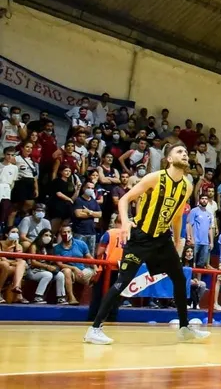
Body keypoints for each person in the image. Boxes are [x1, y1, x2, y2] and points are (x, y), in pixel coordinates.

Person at [84, 142, 210, 345]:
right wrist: (125, 223)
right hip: (140, 237)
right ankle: (94, 328)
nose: (185, 154)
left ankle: (184, 328)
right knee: (123, 281)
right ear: (169, 158)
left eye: (186, 152)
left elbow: (177, 216)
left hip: (162, 239)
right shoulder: (154, 178)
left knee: (179, 278)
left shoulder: (187, 185)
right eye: (179, 151)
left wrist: (177, 242)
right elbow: (125, 199)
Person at [25, 228, 69, 304]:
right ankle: (38, 297)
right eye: (46, 235)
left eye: (50, 236)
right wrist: (47, 267)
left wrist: (53, 267)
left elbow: (52, 261)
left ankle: (61, 297)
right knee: (48, 275)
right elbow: (33, 262)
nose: (48, 237)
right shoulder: (34, 246)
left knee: (60, 275)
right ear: (41, 236)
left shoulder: (50, 248)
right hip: (33, 271)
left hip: (45, 270)